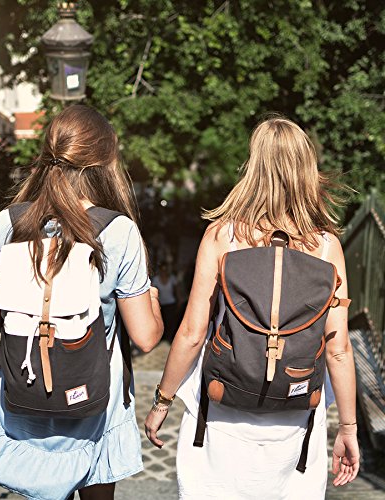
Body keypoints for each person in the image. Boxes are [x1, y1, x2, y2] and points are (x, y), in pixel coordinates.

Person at [0, 104, 163, 500]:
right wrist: (153, 299)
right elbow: (146, 338)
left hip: (26, 394)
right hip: (95, 401)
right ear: (104, 162)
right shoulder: (118, 231)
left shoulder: (8, 224)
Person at [144, 117, 360, 499]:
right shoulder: (326, 247)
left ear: (253, 166)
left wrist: (162, 401)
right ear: (306, 169)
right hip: (295, 418)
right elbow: (339, 348)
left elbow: (193, 334)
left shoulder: (222, 236)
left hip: (222, 408)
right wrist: (348, 428)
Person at [151, 264, 180, 342]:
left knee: (171, 322)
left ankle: (169, 339)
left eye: (165, 270)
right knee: (162, 322)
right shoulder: (156, 279)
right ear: (160, 270)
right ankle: (161, 339)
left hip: (171, 303)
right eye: (162, 270)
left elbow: (176, 291)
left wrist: (178, 301)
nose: (163, 272)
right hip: (161, 304)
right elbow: (153, 292)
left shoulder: (172, 278)